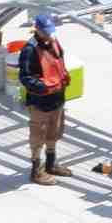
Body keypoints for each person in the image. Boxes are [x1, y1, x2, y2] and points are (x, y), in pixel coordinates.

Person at [18, 11, 70, 184]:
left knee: (54, 132)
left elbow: (59, 64)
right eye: (46, 32)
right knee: (37, 137)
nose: (49, 35)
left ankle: (51, 164)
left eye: (51, 30)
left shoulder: (54, 42)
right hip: (40, 103)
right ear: (37, 30)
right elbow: (25, 77)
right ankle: (36, 171)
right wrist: (43, 87)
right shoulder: (29, 50)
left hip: (57, 99)